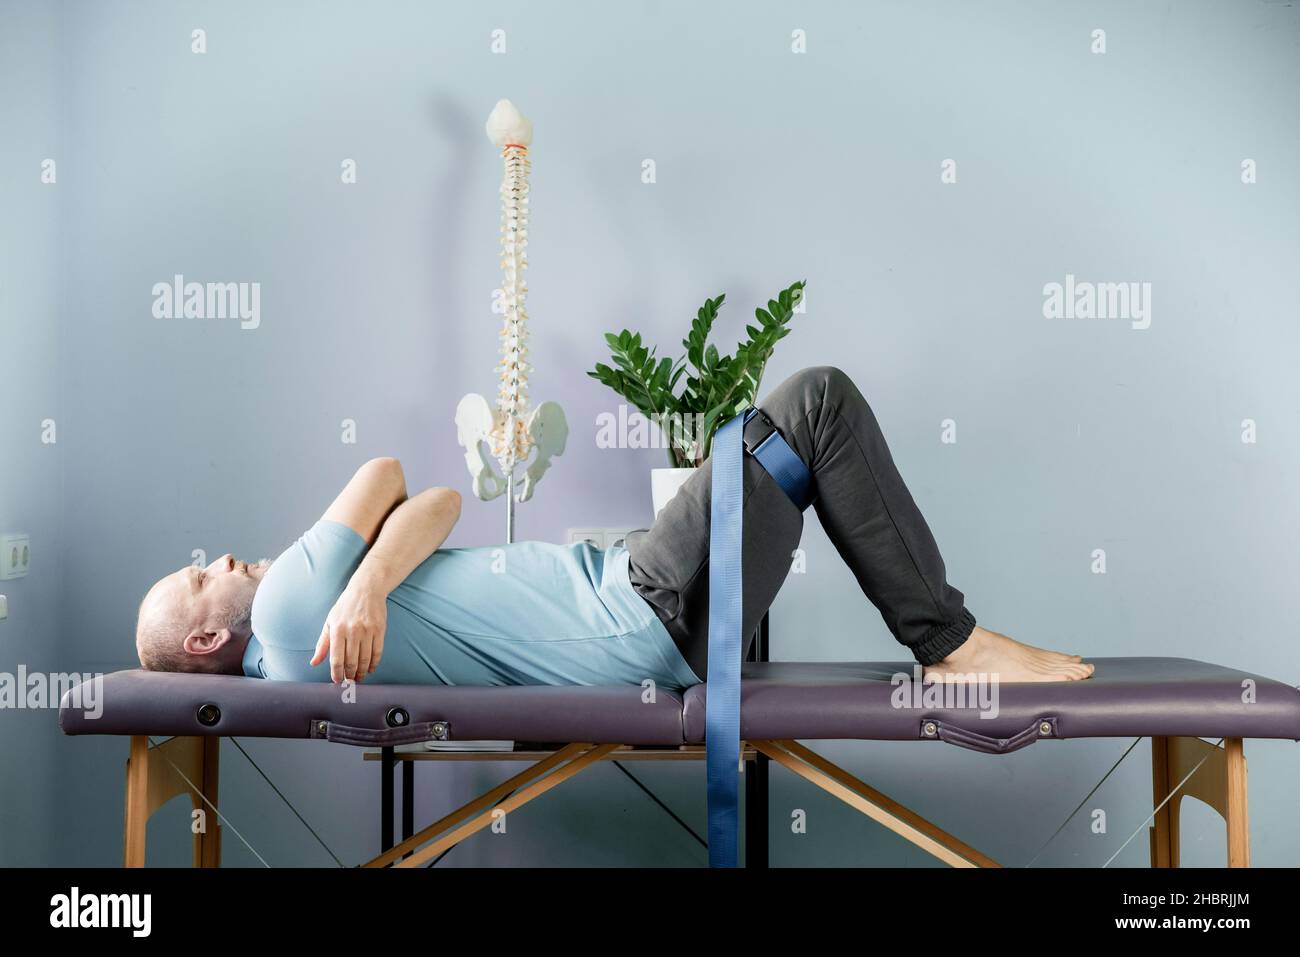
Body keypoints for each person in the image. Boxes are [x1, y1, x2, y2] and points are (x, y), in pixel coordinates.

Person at [135, 366, 1094, 688]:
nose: (223, 560)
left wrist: (370, 582)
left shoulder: (320, 606)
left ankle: (948, 639)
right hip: (635, 610)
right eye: (199, 576)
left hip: (641, 607)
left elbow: (440, 502)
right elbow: (386, 474)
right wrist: (361, 583)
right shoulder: (286, 612)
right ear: (209, 637)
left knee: (791, 448)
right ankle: (951, 643)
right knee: (815, 404)